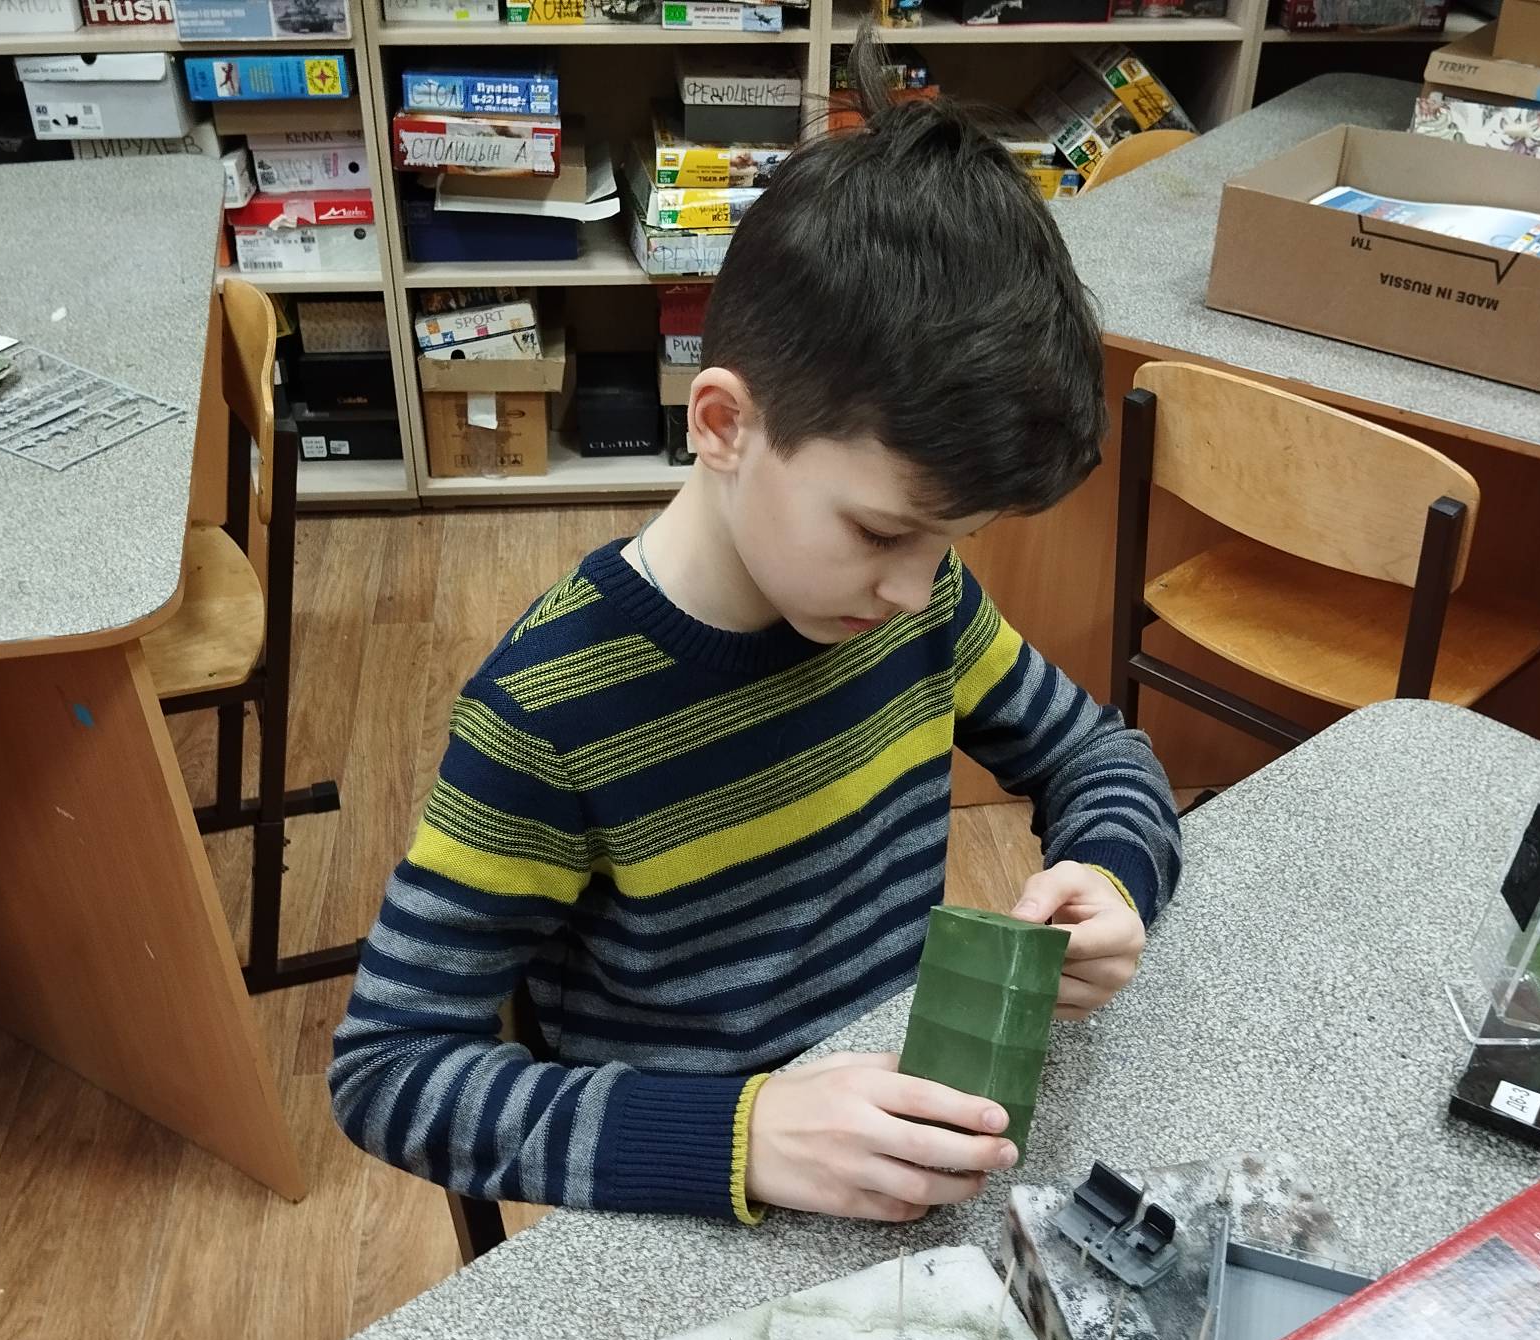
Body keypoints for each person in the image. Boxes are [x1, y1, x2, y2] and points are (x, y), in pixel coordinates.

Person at [330, 44, 1182, 1227]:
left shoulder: (918, 601)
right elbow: (389, 1070)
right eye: (881, 531)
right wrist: (744, 1135)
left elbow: (1098, 756)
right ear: (723, 423)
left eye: (954, 541)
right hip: (699, 1203)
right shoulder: (549, 714)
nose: (915, 587)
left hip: (904, 1151)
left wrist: (1111, 875)